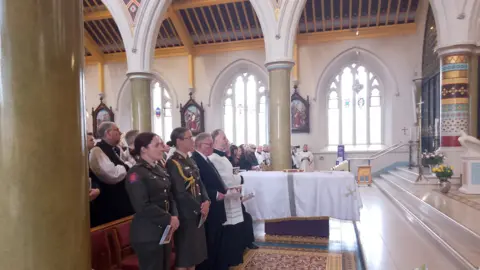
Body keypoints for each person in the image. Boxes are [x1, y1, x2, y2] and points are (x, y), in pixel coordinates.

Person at [125, 132, 180, 270]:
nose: (162, 148)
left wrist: (174, 215)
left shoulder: (159, 169)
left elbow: (169, 195)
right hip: (148, 234)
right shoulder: (135, 173)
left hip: (164, 230)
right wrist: (168, 218)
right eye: (157, 145)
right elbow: (142, 206)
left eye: (162, 144)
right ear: (143, 149)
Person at [166, 127, 210, 270]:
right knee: (185, 256)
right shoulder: (173, 163)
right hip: (186, 214)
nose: (193, 140)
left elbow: (199, 182)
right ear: (179, 141)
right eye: (189, 138)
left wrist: (207, 201)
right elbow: (179, 192)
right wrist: (199, 207)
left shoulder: (189, 160)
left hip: (198, 212)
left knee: (194, 255)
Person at [190, 133, 229, 270]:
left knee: (217, 240)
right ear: (199, 145)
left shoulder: (206, 159)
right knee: (210, 241)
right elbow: (199, 185)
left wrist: (224, 188)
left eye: (212, 144)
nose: (212, 147)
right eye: (209, 144)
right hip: (208, 205)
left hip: (216, 206)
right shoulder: (195, 159)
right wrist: (214, 194)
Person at [89, 122, 134, 225]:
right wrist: (126, 166)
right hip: (110, 200)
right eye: (117, 130)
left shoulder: (116, 149)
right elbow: (112, 175)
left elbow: (130, 164)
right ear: (108, 133)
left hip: (123, 197)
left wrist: (126, 165)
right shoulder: (97, 151)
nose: (120, 132)